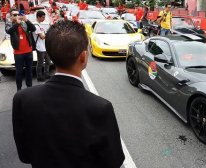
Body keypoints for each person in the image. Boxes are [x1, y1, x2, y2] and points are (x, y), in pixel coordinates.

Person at [12, 20, 125, 168]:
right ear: (83, 57)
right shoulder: (100, 108)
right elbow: (113, 161)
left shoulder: (22, 99)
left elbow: (25, 155)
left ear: (50, 55)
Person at [5, 9, 36, 91]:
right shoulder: (9, 23)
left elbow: (33, 29)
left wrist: (26, 20)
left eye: (18, 14)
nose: (17, 16)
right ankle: (19, 89)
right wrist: (17, 24)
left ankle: (29, 88)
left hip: (28, 51)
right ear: (11, 16)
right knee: (19, 72)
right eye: (14, 15)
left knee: (29, 71)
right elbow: (8, 31)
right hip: (18, 53)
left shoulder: (24, 23)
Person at [34, 11, 51, 82]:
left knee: (48, 61)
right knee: (40, 63)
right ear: (38, 17)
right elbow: (42, 36)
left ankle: (46, 74)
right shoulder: (36, 25)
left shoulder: (39, 25)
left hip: (45, 46)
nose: (44, 19)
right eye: (43, 17)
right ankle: (39, 76)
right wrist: (49, 32)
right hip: (40, 47)